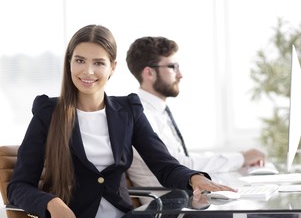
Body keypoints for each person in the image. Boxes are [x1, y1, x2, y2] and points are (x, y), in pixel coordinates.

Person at [7, 25, 236, 218]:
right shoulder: (48, 113)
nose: (87, 71)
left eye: (98, 62)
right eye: (80, 60)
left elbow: (163, 164)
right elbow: (18, 186)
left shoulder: (128, 110)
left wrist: (194, 177)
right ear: (69, 63)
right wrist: (51, 203)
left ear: (112, 68)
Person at [125, 36, 266, 199]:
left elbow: (184, 159)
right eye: (173, 67)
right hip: (169, 207)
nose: (180, 75)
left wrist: (240, 157)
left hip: (186, 199)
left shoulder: (158, 111)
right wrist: (241, 158)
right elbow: (179, 165)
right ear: (149, 72)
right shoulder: (142, 114)